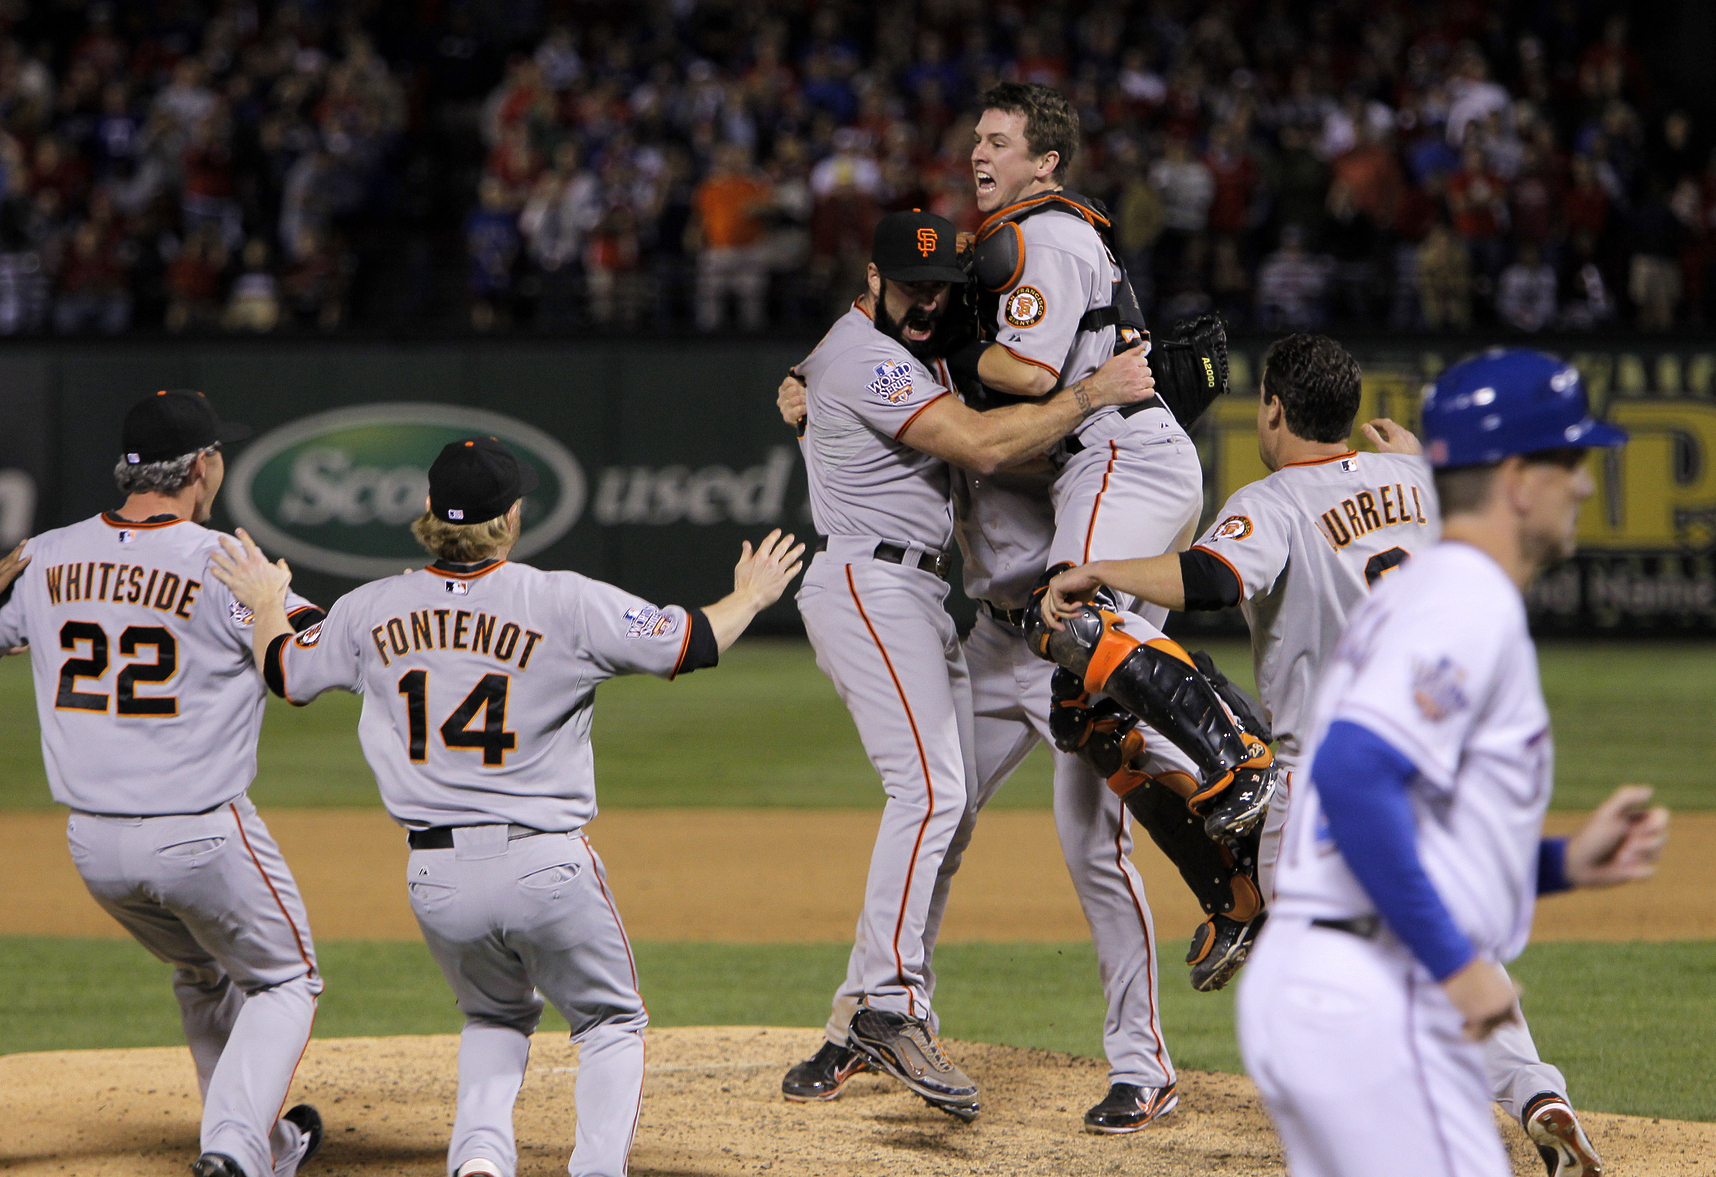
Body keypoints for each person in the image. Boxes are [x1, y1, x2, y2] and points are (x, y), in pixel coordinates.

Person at [1043, 334, 1608, 1172]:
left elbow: (1210, 578)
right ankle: (1536, 1093)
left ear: (1273, 409)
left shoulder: (1272, 502)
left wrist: (1098, 568)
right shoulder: (1421, 483)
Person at [209, 437, 804, 1177]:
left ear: (428, 512)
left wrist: (267, 602)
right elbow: (691, 642)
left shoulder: (370, 607)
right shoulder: (564, 599)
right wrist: (752, 591)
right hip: (545, 862)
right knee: (612, 1022)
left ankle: (481, 1161)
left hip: (436, 877)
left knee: (492, 1013)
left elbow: (286, 671)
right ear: (513, 518)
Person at [1235, 349, 1669, 1177]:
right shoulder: (1464, 600)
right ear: (1514, 479)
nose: (1584, 482)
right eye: (1567, 462)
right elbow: (1357, 781)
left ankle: (1529, 1092)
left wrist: (1560, 862)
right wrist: (1459, 966)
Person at [780, 209, 1156, 1122]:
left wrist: (795, 377)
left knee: (944, 811)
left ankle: (863, 1011)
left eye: (942, 286)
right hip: (871, 578)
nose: (928, 301)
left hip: (925, 594)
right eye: (910, 285)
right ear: (871, 280)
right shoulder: (864, 354)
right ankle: (891, 1008)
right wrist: (1093, 392)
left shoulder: (907, 342)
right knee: (932, 793)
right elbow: (982, 445)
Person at [0, 390, 326, 1177]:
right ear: (205, 466)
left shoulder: (46, 553)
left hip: (94, 847)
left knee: (202, 969)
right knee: (287, 979)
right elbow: (311, 663)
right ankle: (235, 1149)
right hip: (200, 834)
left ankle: (266, 1147)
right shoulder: (224, 563)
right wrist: (274, 605)